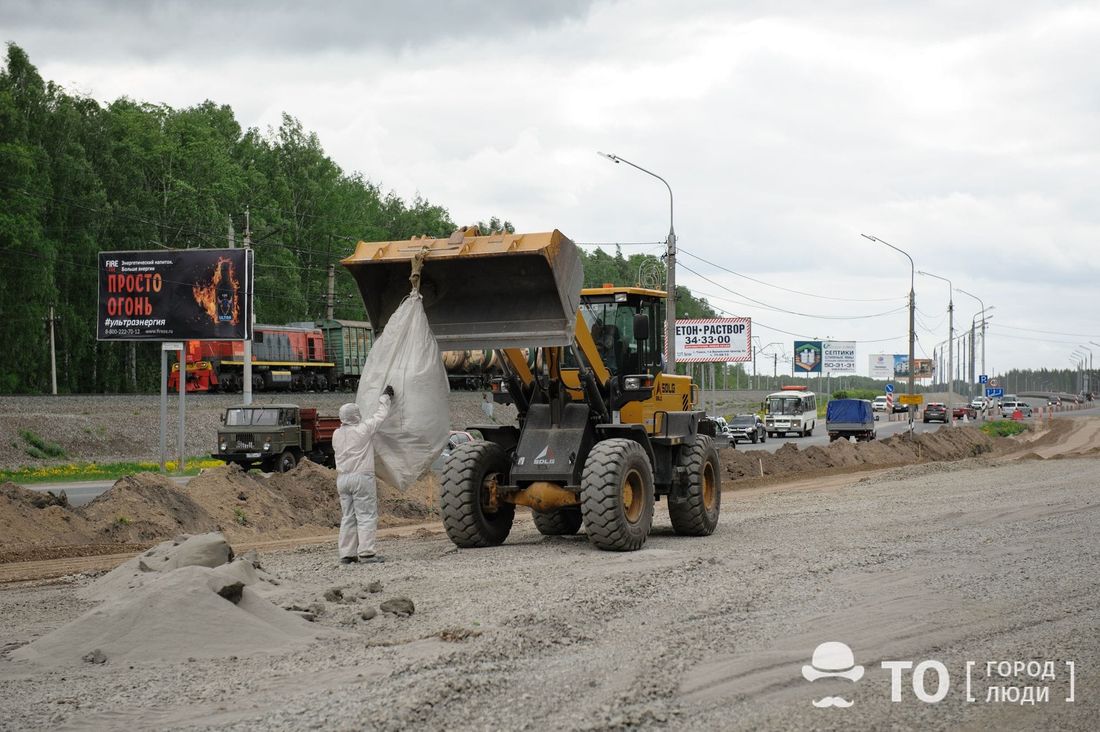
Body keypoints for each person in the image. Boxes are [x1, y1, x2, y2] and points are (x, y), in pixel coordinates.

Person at [332, 386, 394, 564]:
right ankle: (367, 553)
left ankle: (347, 554)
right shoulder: (363, 430)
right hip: (361, 477)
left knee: (348, 516)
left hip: (342, 479)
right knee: (366, 515)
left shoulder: (336, 434)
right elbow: (380, 416)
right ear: (356, 416)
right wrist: (385, 398)